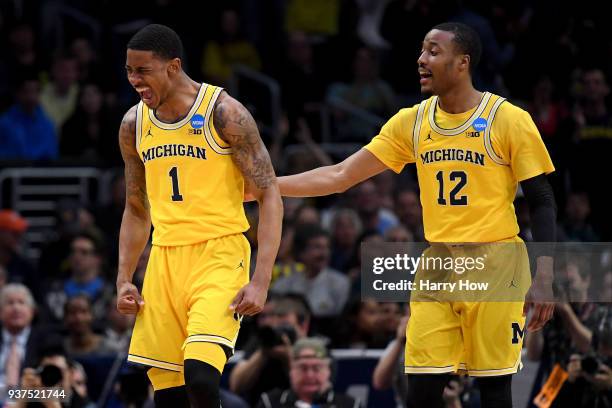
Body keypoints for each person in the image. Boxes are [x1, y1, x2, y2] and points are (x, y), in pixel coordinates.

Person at [272, 22, 557, 407]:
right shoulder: (413, 121)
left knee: (493, 388)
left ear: (462, 63)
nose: (421, 60)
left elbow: (541, 199)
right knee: (420, 388)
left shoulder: (507, 119)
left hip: (496, 264)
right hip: (438, 264)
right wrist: (269, 184)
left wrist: (546, 275)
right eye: (422, 51)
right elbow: (340, 175)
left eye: (433, 51)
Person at [116, 24, 282, 408]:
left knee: (202, 376)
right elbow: (137, 209)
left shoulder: (224, 113)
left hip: (220, 255)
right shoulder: (133, 124)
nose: (134, 80)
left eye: (143, 71)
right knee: (169, 396)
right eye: (129, 70)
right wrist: (124, 279)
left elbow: (269, 193)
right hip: (164, 261)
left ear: (173, 67)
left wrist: (261, 280)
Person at [256, 337, 361, 408]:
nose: (309, 375)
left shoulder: (351, 405)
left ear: (328, 371)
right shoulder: (270, 403)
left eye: (317, 368)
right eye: (302, 368)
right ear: (291, 370)